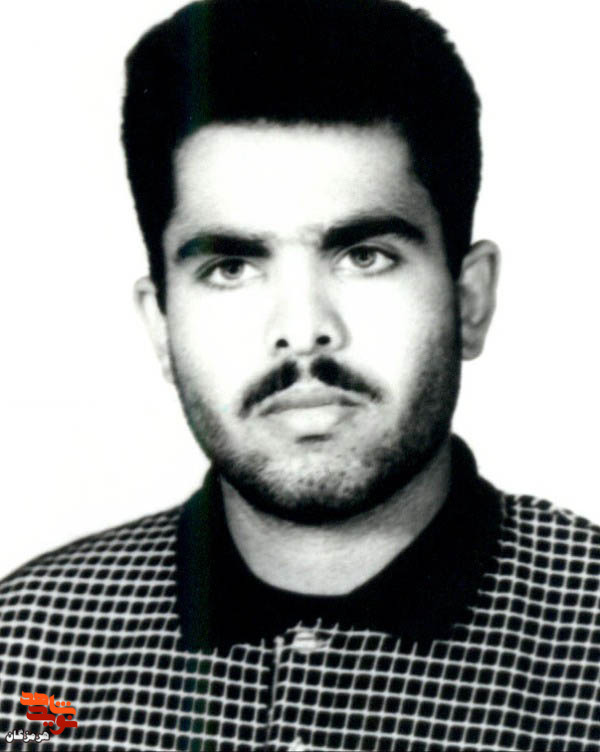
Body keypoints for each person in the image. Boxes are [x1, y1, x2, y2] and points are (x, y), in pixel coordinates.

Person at [0, 0, 598, 750]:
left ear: (469, 300)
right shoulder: (26, 662)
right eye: (231, 267)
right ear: (161, 325)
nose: (303, 327)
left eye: (364, 256)